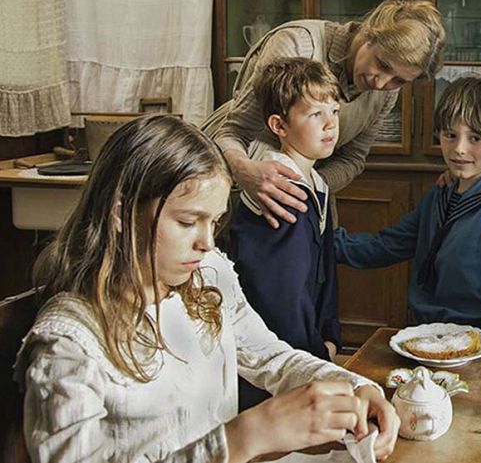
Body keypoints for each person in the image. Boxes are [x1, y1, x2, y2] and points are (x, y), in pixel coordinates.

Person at [15, 115, 399, 463]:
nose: (207, 243)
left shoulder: (207, 275)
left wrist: (357, 388)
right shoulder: (70, 342)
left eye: (213, 222)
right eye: (187, 222)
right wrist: (241, 438)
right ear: (121, 212)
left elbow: (271, 358)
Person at [202, 0, 446, 228]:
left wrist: (307, 187)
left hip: (303, 189)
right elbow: (232, 131)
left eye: (399, 80)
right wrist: (245, 172)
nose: (381, 83)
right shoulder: (296, 44)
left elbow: (352, 160)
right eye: (382, 65)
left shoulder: (386, 94)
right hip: (232, 173)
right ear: (369, 34)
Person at [334, 77, 481, 339]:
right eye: (450, 135)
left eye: (475, 138)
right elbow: (385, 245)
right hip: (424, 334)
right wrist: (318, 239)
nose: (459, 149)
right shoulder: (438, 196)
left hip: (479, 342)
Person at [227, 57, 344, 407]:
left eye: (334, 111)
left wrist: (329, 336)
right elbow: (280, 294)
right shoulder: (279, 189)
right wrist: (311, 353)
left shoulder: (316, 183)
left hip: (309, 348)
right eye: (315, 114)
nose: (330, 124)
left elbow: (325, 274)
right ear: (279, 125)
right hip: (275, 359)